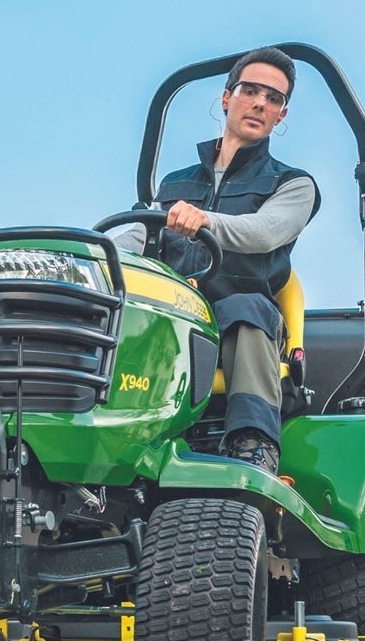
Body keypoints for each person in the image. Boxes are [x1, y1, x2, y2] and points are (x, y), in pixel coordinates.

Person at [118, 46, 320, 474]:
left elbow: (264, 233)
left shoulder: (293, 184)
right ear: (227, 98)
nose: (261, 102)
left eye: (274, 98)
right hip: (172, 318)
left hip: (240, 318)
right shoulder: (175, 184)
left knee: (246, 308)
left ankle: (254, 444)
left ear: (281, 116)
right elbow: (136, 239)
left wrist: (203, 219)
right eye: (251, 90)